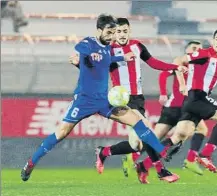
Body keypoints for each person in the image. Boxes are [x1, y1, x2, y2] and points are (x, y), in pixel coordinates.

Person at [20, 14, 184, 182]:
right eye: (110, 32)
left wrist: (120, 57)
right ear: (99, 30)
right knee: (61, 133)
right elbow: (80, 49)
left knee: (137, 120)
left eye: (114, 32)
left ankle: (163, 152)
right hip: (84, 100)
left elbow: (107, 59)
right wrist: (83, 59)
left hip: (104, 101)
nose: (112, 35)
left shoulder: (110, 48)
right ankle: (31, 163)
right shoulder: (89, 43)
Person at [69, 17, 187, 183]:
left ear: (130, 31)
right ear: (113, 33)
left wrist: (175, 67)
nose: (122, 34)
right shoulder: (108, 50)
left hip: (138, 98)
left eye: (125, 31)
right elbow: (95, 70)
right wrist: (78, 64)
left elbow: (153, 62)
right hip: (122, 99)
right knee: (147, 132)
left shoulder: (137, 46)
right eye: (118, 31)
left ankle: (105, 152)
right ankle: (161, 171)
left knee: (136, 145)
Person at [134, 41, 209, 183]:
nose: (197, 51)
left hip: (185, 105)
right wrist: (163, 93)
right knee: (170, 137)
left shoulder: (198, 65)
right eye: (193, 48)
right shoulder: (182, 64)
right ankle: (189, 159)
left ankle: (142, 162)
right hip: (178, 106)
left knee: (171, 137)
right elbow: (164, 75)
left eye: (199, 49)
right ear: (185, 50)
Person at [174, 28, 217, 174]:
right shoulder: (204, 54)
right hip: (196, 96)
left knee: (180, 135)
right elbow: (178, 60)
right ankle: (205, 154)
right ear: (213, 39)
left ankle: (145, 165)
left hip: (199, 99)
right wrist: (182, 84)